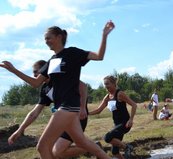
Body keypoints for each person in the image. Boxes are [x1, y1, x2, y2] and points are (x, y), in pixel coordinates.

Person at [0, 21, 115, 158]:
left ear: (59, 37)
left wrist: (104, 35)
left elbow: (99, 56)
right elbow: (35, 83)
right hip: (64, 108)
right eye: (45, 39)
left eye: (48, 38)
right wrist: (13, 70)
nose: (46, 41)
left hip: (68, 107)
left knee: (42, 147)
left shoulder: (72, 53)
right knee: (83, 143)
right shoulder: (51, 61)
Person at [7, 60, 94, 158]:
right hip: (61, 120)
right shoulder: (45, 89)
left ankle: (93, 148)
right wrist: (20, 130)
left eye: (36, 71)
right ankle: (89, 148)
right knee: (46, 148)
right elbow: (34, 113)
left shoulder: (60, 77)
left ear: (44, 70)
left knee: (58, 152)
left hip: (77, 117)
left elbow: (83, 87)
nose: (34, 75)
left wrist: (82, 108)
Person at [89, 75, 137, 159]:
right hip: (117, 125)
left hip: (125, 123)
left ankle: (127, 147)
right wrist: (86, 113)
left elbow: (134, 105)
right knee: (115, 152)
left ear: (114, 84)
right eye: (104, 84)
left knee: (107, 137)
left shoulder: (120, 94)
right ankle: (126, 150)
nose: (106, 86)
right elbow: (98, 110)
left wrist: (131, 119)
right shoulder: (107, 97)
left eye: (107, 84)